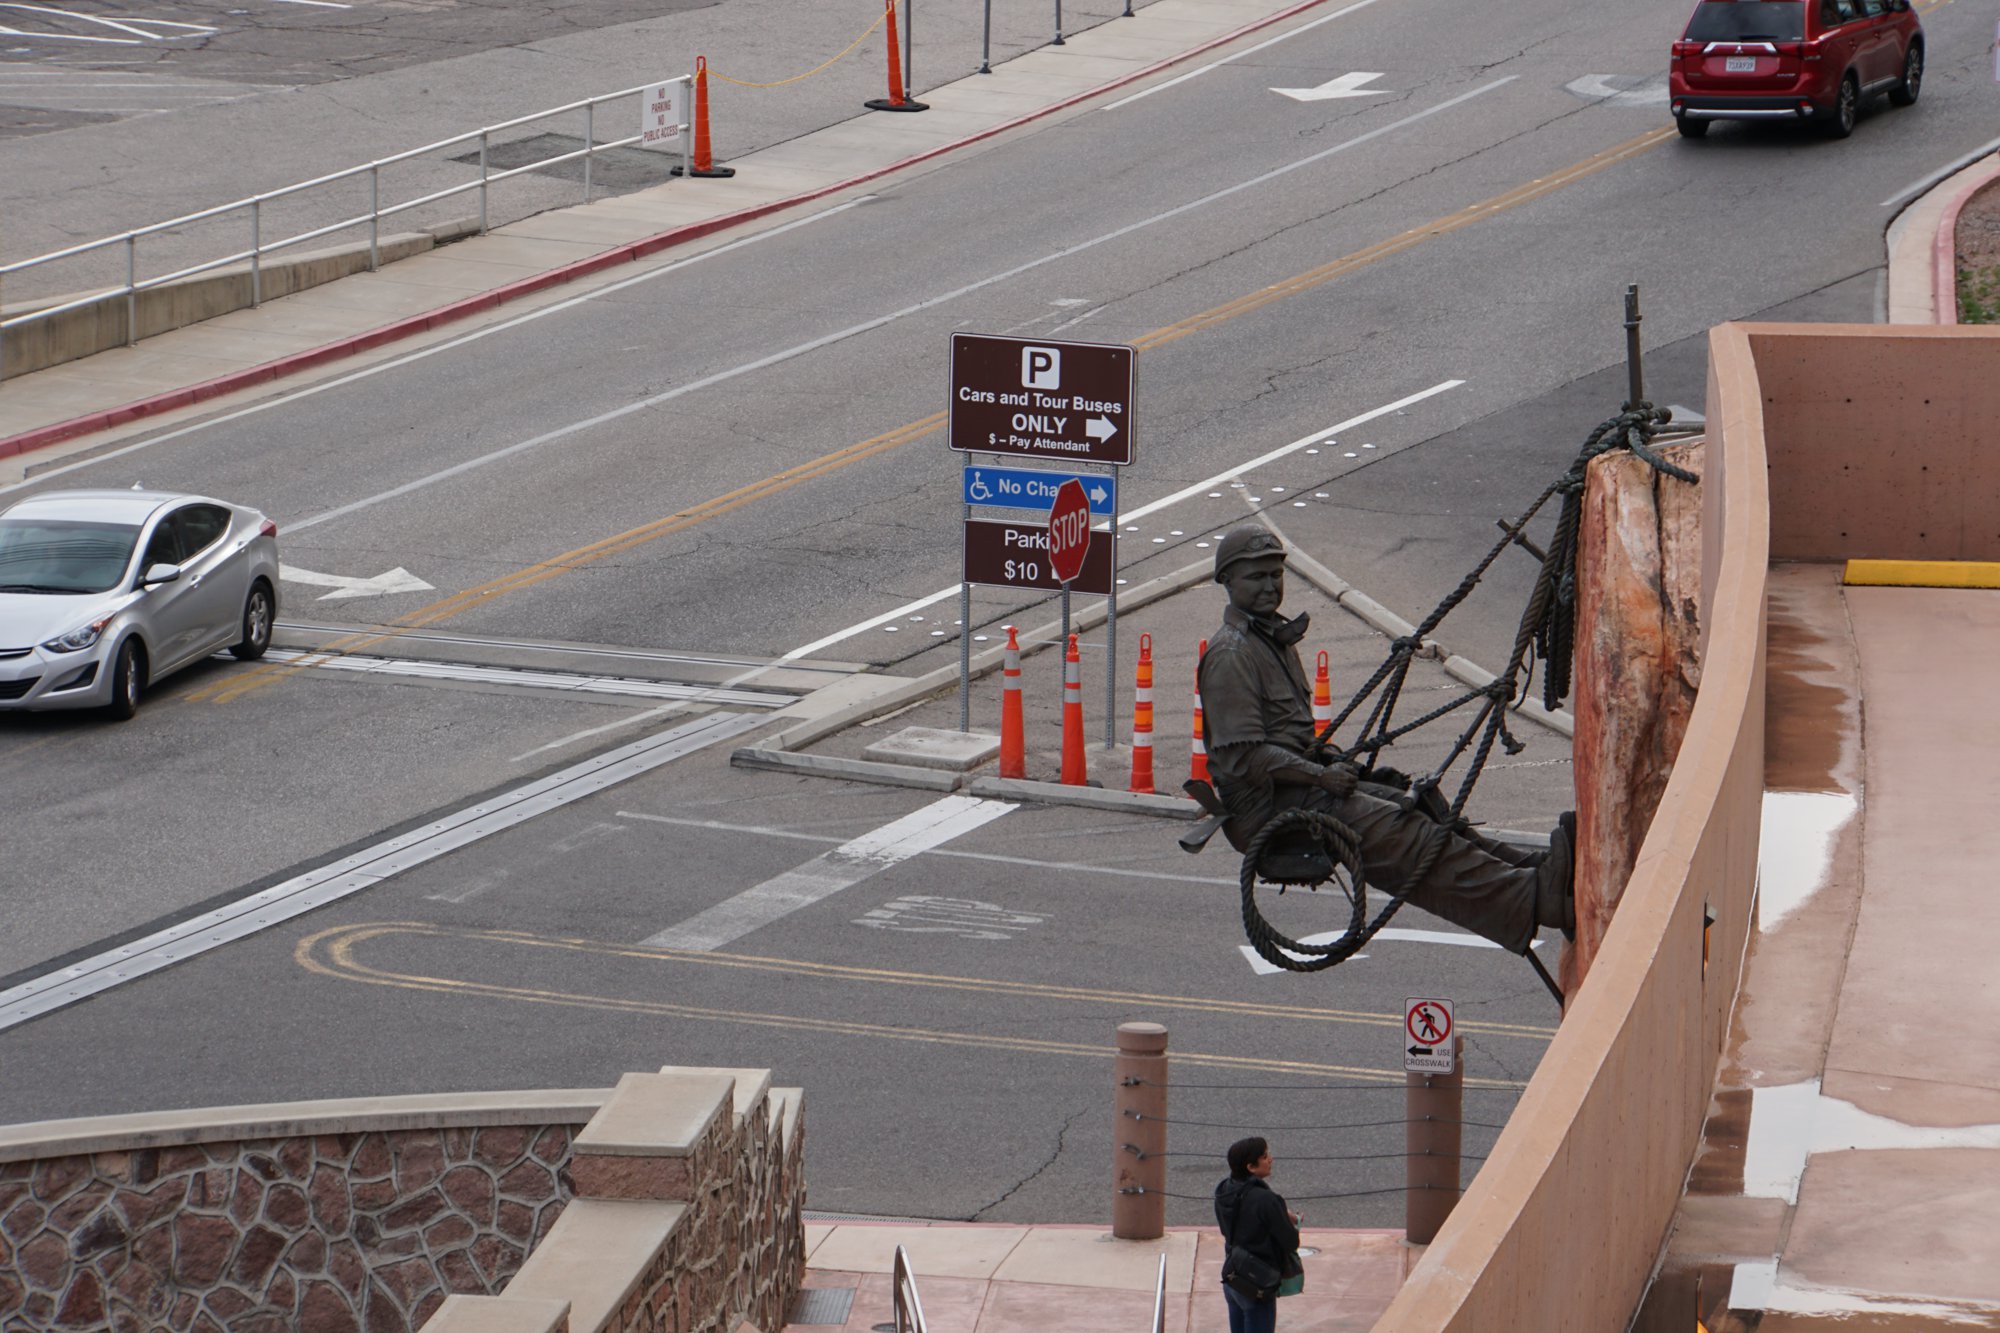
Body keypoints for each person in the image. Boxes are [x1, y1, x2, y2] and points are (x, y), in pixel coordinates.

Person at [1196, 525, 1574, 955]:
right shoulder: (1232, 654)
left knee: (1418, 805)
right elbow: (1245, 757)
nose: (1269, 586)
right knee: (1403, 832)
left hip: (1296, 787)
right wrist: (1321, 778)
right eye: (1256, 577)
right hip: (1269, 806)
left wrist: (1343, 768)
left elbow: (1287, 739)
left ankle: (1534, 871)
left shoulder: (1272, 639)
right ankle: (1532, 899)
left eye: (1275, 575)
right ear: (1227, 581)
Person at [1214, 1136, 1300, 1333]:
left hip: (1233, 1276)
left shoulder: (1224, 1191)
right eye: (1264, 1156)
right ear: (1251, 1167)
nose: (1270, 1159)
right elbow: (1290, 1242)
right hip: (1257, 1283)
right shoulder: (1267, 1200)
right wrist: (1284, 1215)